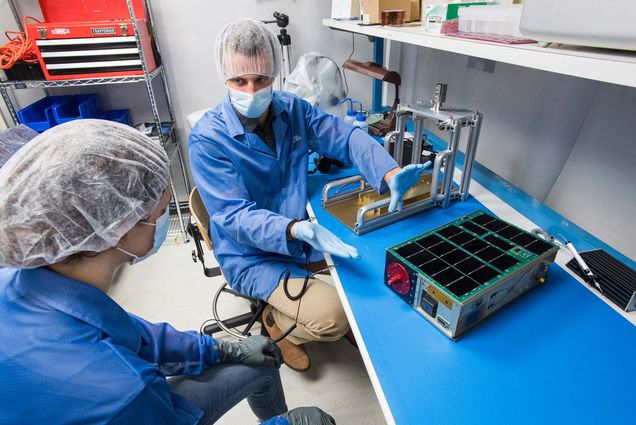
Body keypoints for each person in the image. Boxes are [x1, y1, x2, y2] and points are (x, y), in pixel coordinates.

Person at [0, 120, 335, 425]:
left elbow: (132, 333)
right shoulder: (123, 393)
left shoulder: (25, 283)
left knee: (259, 362)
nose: (165, 221)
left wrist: (216, 349)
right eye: (161, 212)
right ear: (118, 228)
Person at [189, 19, 430, 371]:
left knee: (373, 271)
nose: (252, 90)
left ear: (274, 73)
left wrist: (390, 172)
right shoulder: (208, 139)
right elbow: (234, 217)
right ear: (224, 77)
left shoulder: (292, 108)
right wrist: (293, 230)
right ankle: (279, 326)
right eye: (240, 80)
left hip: (299, 234)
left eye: (261, 79)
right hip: (251, 255)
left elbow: (345, 137)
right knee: (333, 316)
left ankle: (305, 304)